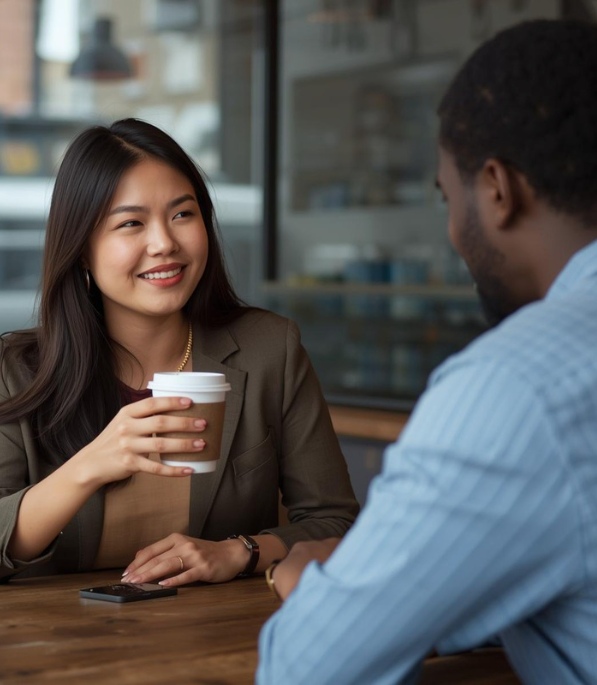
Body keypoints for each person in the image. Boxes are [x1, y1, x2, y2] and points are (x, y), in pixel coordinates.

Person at [257, 19, 597, 685]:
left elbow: (306, 668)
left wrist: (319, 580)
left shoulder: (518, 385)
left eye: (448, 196)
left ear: (497, 189)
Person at [0, 118, 359, 585]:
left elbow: (337, 524)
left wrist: (241, 552)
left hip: (220, 641)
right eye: (131, 223)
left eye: (182, 214)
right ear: (82, 249)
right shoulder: (17, 371)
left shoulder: (270, 350)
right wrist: (88, 467)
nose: (164, 243)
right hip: (60, 648)